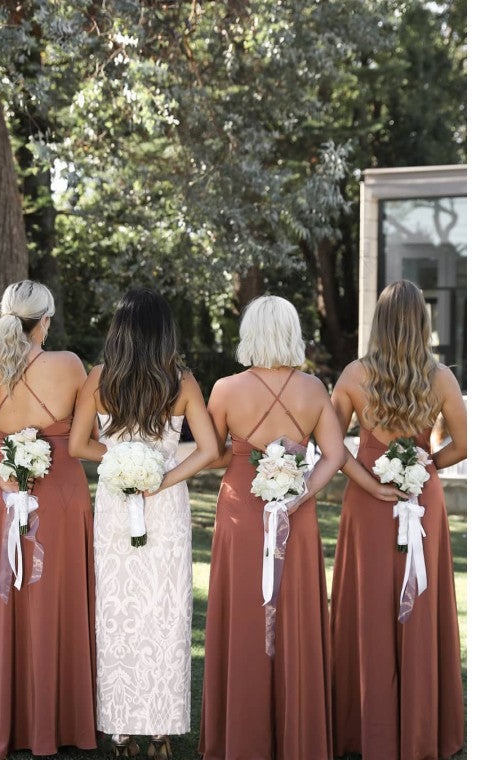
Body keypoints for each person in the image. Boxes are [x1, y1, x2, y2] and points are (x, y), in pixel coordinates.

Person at [68, 287, 219, 760]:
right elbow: (210, 449)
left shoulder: (99, 378)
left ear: (120, 331)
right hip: (166, 506)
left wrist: (118, 459)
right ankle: (160, 735)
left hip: (116, 503)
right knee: (164, 610)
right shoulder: (181, 381)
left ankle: (120, 734)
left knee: (117, 609)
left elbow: (77, 445)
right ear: (164, 331)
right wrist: (162, 476)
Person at [198, 294, 346, 760]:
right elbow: (335, 455)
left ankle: (241, 737)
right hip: (295, 516)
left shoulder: (225, 388)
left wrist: (245, 452)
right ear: (291, 333)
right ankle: (297, 736)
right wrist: (302, 494)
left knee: (243, 612)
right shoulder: (314, 389)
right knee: (293, 613)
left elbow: (213, 453)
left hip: (241, 511)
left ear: (250, 334)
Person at [0, 280, 98, 760]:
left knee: (3, 604)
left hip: (1, 502)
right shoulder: (70, 365)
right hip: (61, 499)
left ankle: (1, 718)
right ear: (45, 321)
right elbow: (91, 433)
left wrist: (0, 476)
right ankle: (61, 721)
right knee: (58, 600)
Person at [329, 279, 466, 760]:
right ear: (422, 322)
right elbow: (464, 445)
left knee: (368, 605)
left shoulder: (353, 375)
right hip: (422, 501)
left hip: (367, 503)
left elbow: (331, 447)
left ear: (380, 323)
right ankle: (420, 731)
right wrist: (426, 466)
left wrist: (370, 483)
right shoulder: (441, 377)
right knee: (420, 604)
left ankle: (363, 730)